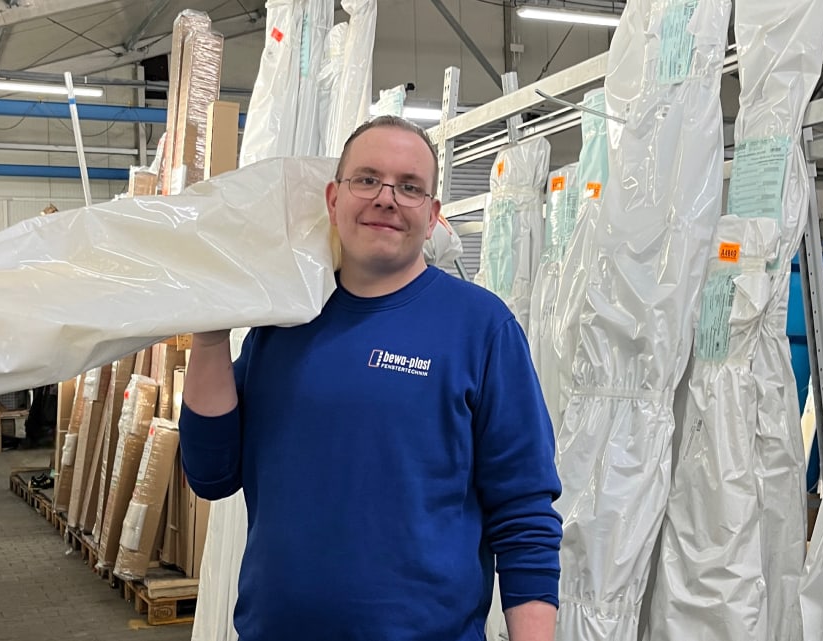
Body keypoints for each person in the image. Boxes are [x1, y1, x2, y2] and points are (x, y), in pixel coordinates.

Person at [179, 115, 563, 641]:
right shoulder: (283, 323)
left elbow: (524, 512)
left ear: (432, 215)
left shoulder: (480, 327)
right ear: (334, 198)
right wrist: (209, 337)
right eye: (368, 179)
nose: (386, 198)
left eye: (410, 187)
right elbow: (211, 475)